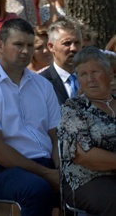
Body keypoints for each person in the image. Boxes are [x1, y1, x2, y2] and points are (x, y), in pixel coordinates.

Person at [0, 18, 60, 216]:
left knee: (88, 186)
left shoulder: (43, 85)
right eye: (18, 44)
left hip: (45, 163)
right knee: (38, 189)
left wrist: (61, 169)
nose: (25, 51)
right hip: (3, 170)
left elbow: (55, 136)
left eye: (29, 45)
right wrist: (47, 174)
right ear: (0, 46)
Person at [58, 47, 116, 215]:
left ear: (110, 73)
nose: (90, 79)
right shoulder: (73, 108)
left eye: (95, 72)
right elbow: (83, 154)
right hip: (86, 180)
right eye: (83, 74)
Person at [39, 18, 82, 105]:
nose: (73, 48)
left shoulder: (92, 78)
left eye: (77, 43)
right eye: (67, 43)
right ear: (51, 47)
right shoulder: (40, 83)